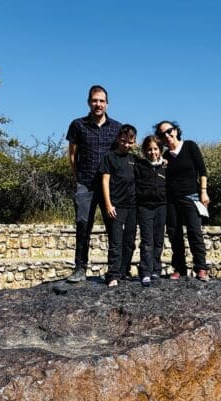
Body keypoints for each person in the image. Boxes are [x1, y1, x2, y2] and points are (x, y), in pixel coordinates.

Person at [65, 85, 122, 283]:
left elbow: (122, 156)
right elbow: (72, 155)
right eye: (94, 100)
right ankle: (80, 269)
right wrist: (78, 178)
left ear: (107, 103)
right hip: (85, 184)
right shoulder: (77, 125)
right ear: (89, 102)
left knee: (113, 228)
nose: (98, 104)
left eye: (101, 101)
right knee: (83, 226)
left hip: (110, 187)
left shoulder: (117, 128)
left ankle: (115, 271)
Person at [155, 120, 210, 281]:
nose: (167, 135)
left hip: (191, 196)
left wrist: (204, 192)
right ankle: (180, 268)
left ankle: (201, 267)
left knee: (194, 231)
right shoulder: (165, 156)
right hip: (171, 199)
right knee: (174, 233)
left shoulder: (190, 146)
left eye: (169, 130)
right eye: (162, 133)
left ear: (176, 131)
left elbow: (202, 170)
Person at [99, 125, 138, 287]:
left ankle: (124, 272)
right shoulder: (109, 157)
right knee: (116, 241)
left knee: (129, 241)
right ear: (117, 139)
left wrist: (163, 161)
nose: (126, 145)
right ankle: (113, 274)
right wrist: (108, 204)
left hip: (133, 206)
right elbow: (105, 181)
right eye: (123, 141)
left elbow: (151, 166)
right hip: (116, 205)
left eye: (130, 142)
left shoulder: (134, 159)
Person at [134, 135, 167, 286]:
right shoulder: (139, 165)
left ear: (160, 150)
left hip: (161, 206)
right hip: (144, 207)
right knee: (147, 241)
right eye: (149, 149)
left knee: (158, 240)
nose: (152, 152)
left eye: (155, 149)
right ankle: (145, 272)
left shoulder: (166, 166)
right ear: (144, 151)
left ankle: (156, 270)